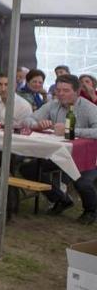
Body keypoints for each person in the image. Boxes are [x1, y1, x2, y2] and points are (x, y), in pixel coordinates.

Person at [20, 75, 97, 224]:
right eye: (58, 90)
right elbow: (28, 120)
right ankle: (61, 199)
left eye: (66, 90)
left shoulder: (89, 108)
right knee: (28, 169)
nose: (60, 93)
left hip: (88, 156)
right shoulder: (53, 105)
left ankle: (91, 210)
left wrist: (72, 131)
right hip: (61, 154)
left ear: (77, 91)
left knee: (81, 181)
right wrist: (37, 124)